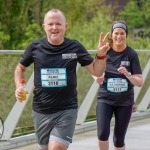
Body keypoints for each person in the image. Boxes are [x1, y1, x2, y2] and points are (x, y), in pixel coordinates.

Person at [14, 9, 110, 150]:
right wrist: (19, 86)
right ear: (44, 26)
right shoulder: (35, 47)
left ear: (66, 26)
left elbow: (97, 70)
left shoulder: (74, 46)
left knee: (56, 148)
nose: (54, 28)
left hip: (67, 110)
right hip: (41, 110)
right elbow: (19, 69)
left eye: (58, 24)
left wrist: (100, 56)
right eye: (51, 24)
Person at [92, 20, 143, 150]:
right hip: (105, 99)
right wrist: (97, 77)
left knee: (118, 140)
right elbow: (93, 70)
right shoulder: (105, 51)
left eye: (122, 33)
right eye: (116, 33)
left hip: (125, 101)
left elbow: (140, 82)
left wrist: (128, 75)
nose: (119, 36)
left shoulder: (131, 54)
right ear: (112, 35)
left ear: (126, 35)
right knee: (102, 133)